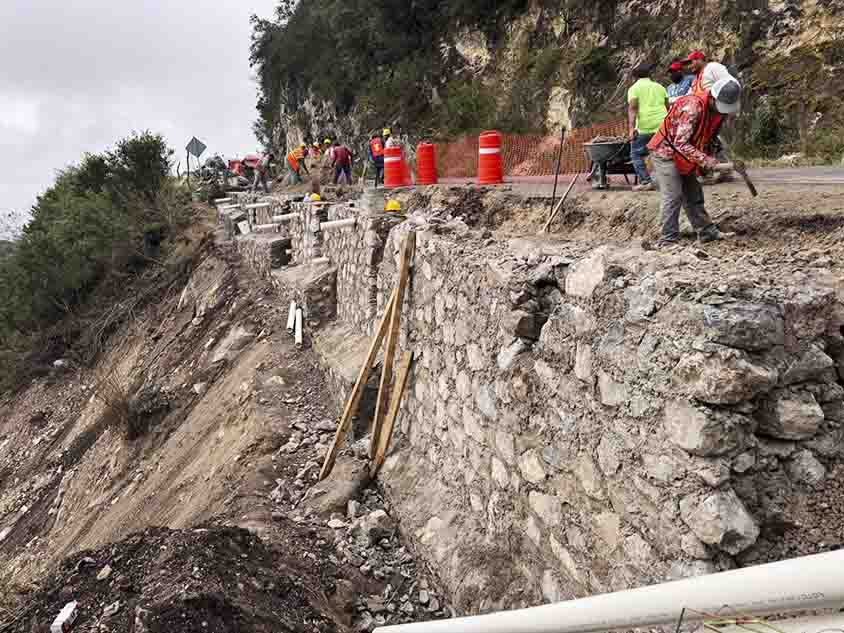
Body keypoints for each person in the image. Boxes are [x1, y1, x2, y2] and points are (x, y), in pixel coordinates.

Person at [647, 76, 742, 246]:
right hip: (665, 152)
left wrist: (713, 156)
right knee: (674, 195)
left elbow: (708, 137)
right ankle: (667, 240)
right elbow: (680, 143)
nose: (722, 112)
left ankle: (707, 232)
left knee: (693, 193)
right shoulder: (692, 108)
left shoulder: (716, 112)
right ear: (713, 98)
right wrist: (706, 161)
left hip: (684, 153)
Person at [627, 63, 669, 192]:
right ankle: (670, 181)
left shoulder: (634, 88)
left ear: (635, 77)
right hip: (662, 126)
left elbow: (633, 109)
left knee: (636, 154)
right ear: (649, 75)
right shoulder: (660, 87)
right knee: (666, 153)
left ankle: (646, 182)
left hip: (645, 127)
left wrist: (631, 128)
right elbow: (667, 106)